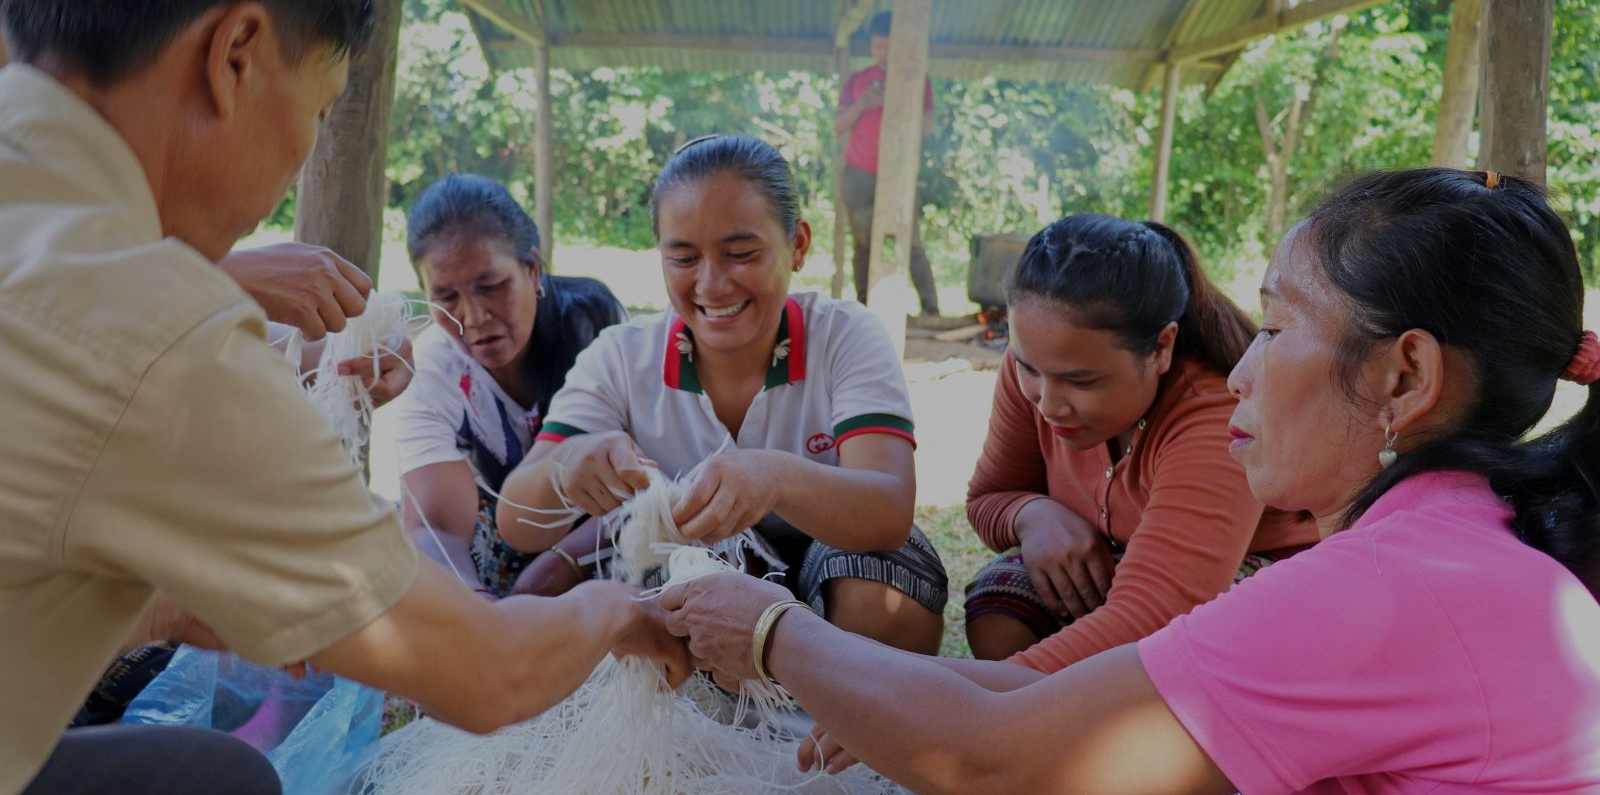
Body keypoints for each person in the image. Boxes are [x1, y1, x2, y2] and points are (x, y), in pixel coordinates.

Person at [662, 168, 1600, 794]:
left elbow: (989, 761)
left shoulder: (1381, 591)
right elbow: (1007, 568)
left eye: (1275, 330)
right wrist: (898, 692)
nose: (1243, 369)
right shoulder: (1465, 541)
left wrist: (773, 630)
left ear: (1405, 377)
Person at [0, 4, 686, 795]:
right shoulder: (162, 335)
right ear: (236, 52)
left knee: (209, 771)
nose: (303, 155)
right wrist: (623, 612)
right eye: (321, 109)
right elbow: (488, 673)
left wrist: (161, 612)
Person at [498, 134, 948, 654]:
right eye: (683, 258)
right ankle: (734, 715)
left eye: (740, 253)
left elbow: (888, 511)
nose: (711, 285)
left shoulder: (843, 337)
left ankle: (844, 715)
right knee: (657, 581)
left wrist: (774, 478)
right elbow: (515, 520)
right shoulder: (623, 357)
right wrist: (566, 466)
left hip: (841, 586)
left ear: (797, 245)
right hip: (700, 590)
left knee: (883, 585)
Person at [963, 214, 1317, 664]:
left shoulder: (1215, 415)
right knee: (1002, 610)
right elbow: (988, 497)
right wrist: (1032, 514)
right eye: (1028, 368)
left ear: (1161, 348)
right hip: (1133, 572)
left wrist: (974, 704)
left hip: (1249, 591)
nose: (1049, 403)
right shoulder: (1034, 368)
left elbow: (1150, 616)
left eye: (1082, 381)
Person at [392, 174, 625, 597]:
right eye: (447, 298)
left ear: (533, 271)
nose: (474, 316)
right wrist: (482, 616)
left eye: (491, 287)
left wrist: (563, 562)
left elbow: (645, 475)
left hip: (601, 540)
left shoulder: (591, 323)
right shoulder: (432, 369)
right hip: (492, 559)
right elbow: (436, 530)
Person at [835, 11, 939, 316]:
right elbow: (838, 124)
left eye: (889, 47)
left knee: (912, 244)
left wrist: (900, 100)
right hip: (859, 175)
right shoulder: (858, 81)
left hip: (900, 176)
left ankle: (931, 311)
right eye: (877, 47)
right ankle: (865, 310)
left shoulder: (918, 78)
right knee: (864, 245)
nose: (883, 54)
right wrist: (862, 104)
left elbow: (928, 127)